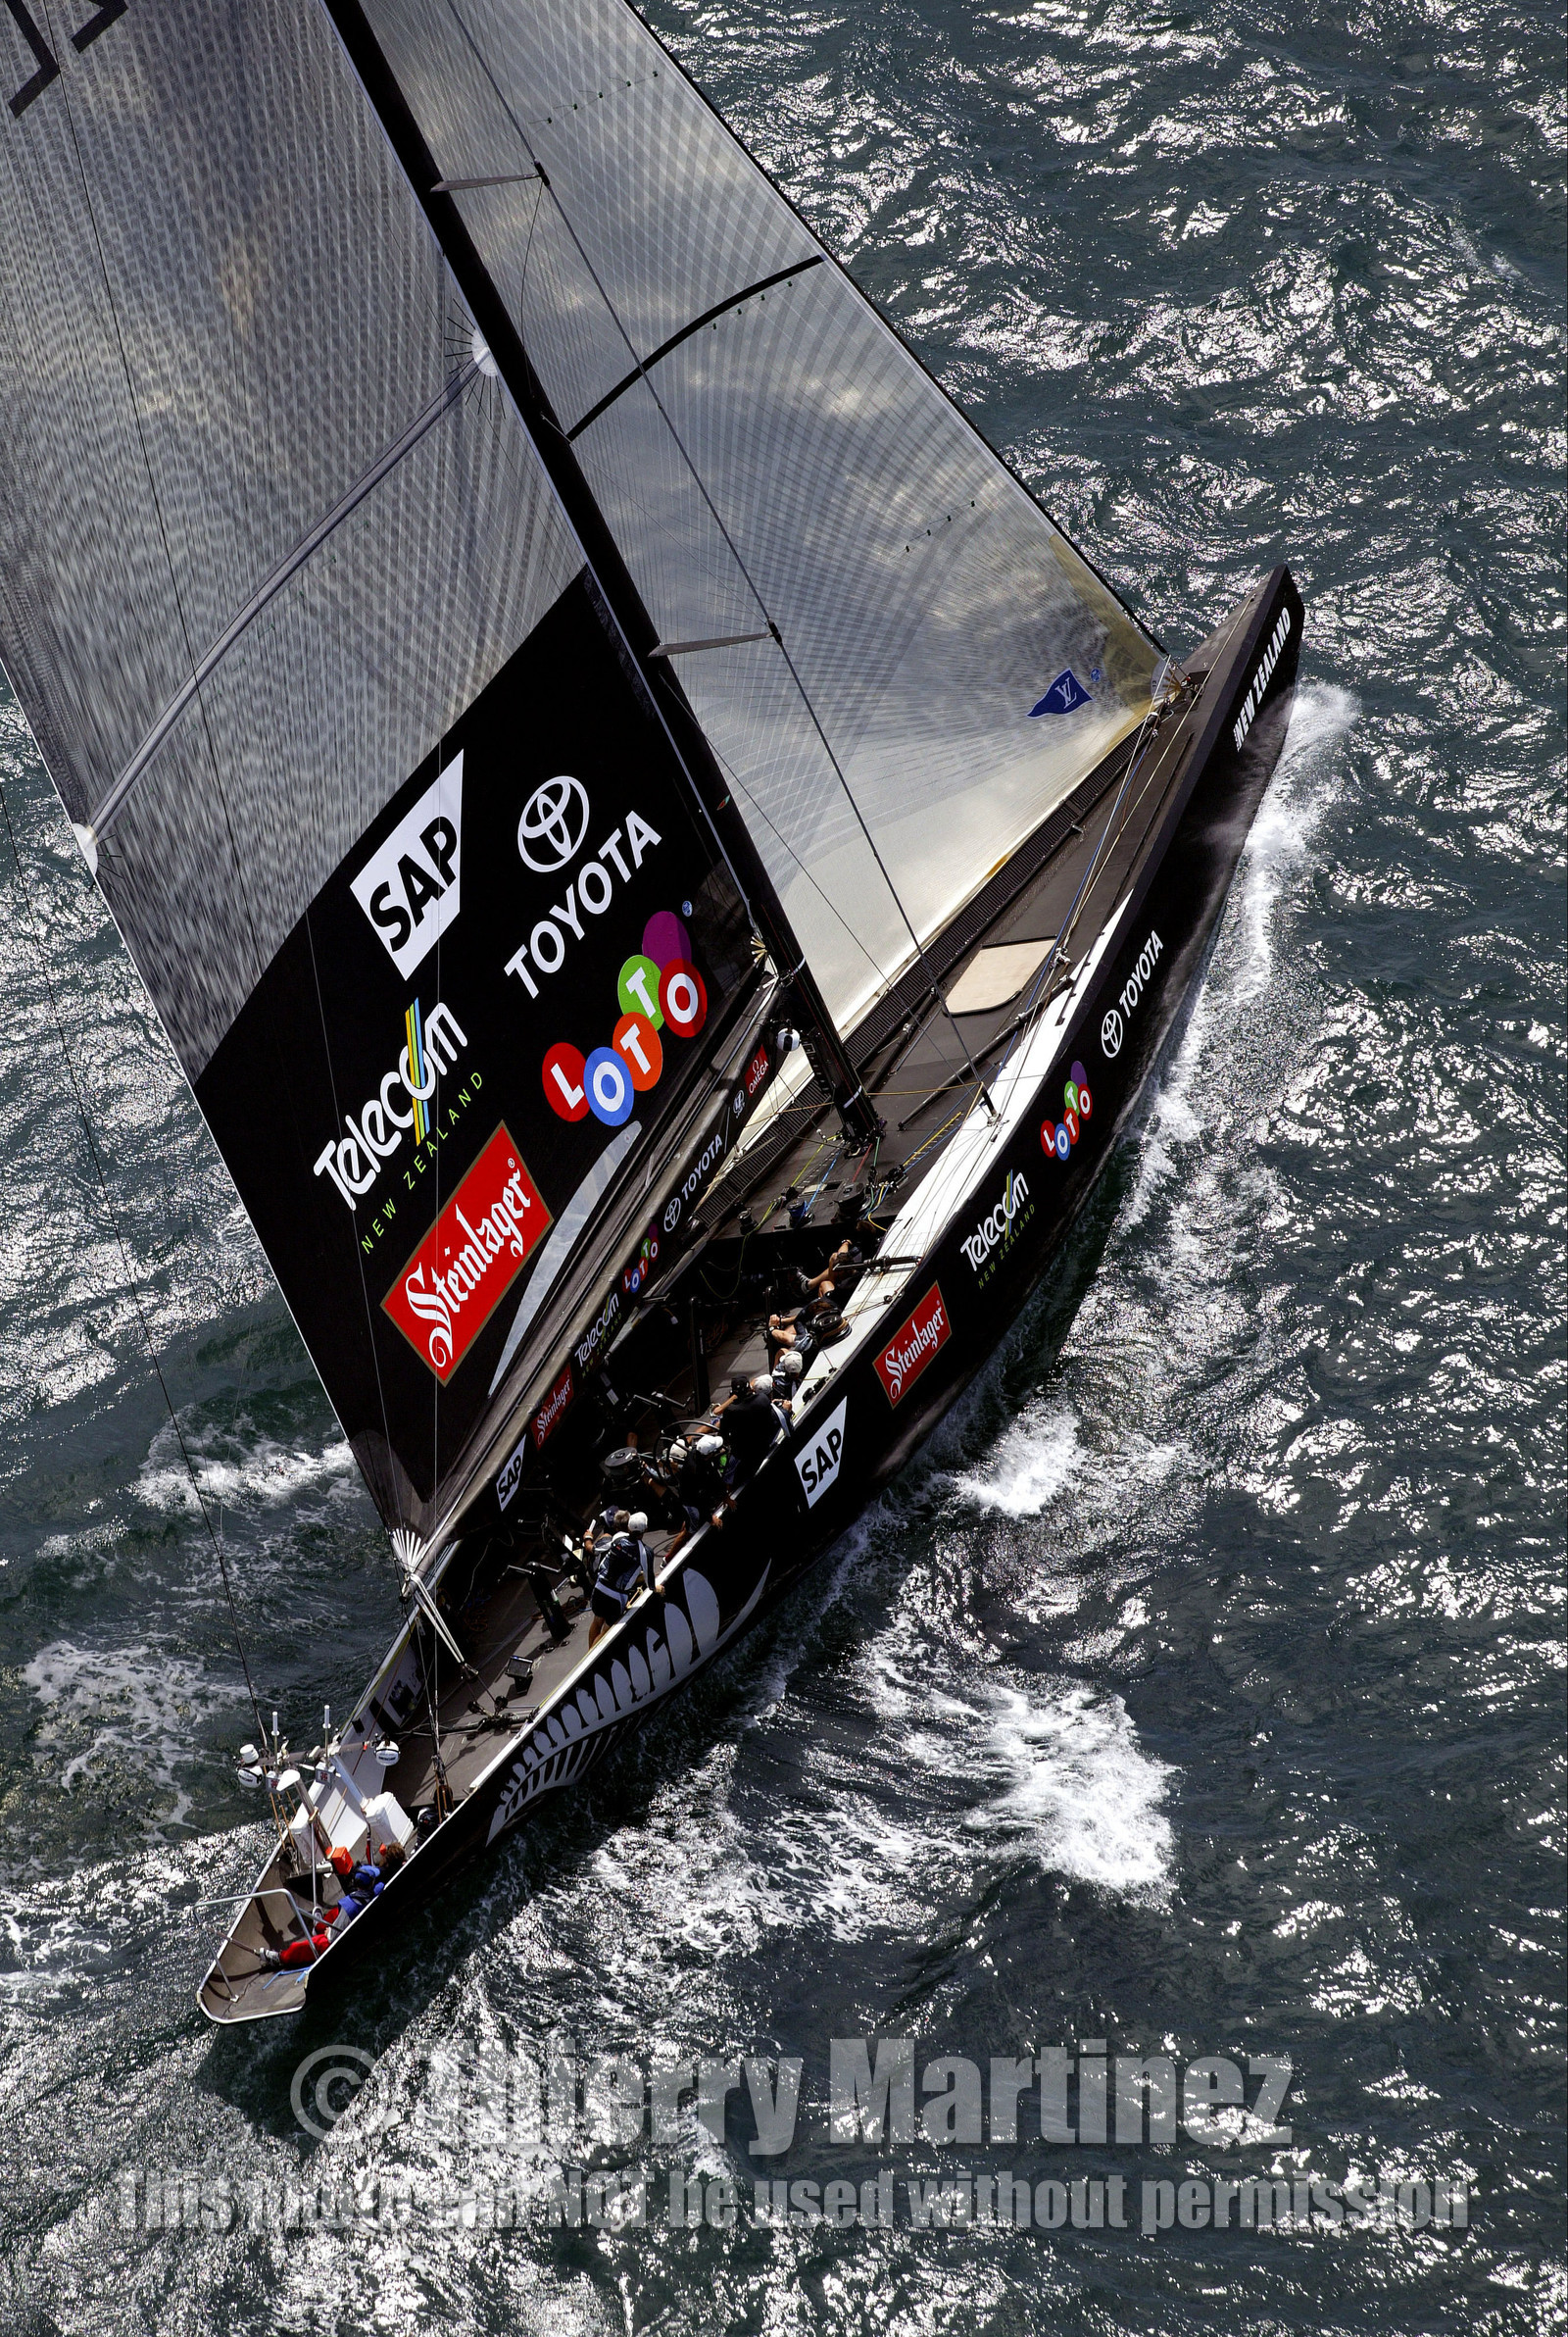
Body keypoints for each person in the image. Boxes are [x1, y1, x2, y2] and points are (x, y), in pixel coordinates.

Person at [713, 1372, 784, 1497]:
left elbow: (723, 1436)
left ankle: (727, 1493)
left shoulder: (731, 1410)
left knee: (727, 1473)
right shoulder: (763, 1399)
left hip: (743, 1454)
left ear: (734, 1393)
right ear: (749, 1388)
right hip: (765, 1444)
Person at [587, 1518, 655, 1646]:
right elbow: (650, 1584)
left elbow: (596, 1550)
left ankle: (588, 1652)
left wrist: (587, 1539)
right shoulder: (646, 1552)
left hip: (599, 1588)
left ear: (628, 1528)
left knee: (596, 1622)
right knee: (605, 1633)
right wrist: (658, 1588)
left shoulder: (617, 1537)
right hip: (616, 1597)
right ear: (645, 1529)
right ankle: (593, 1660)